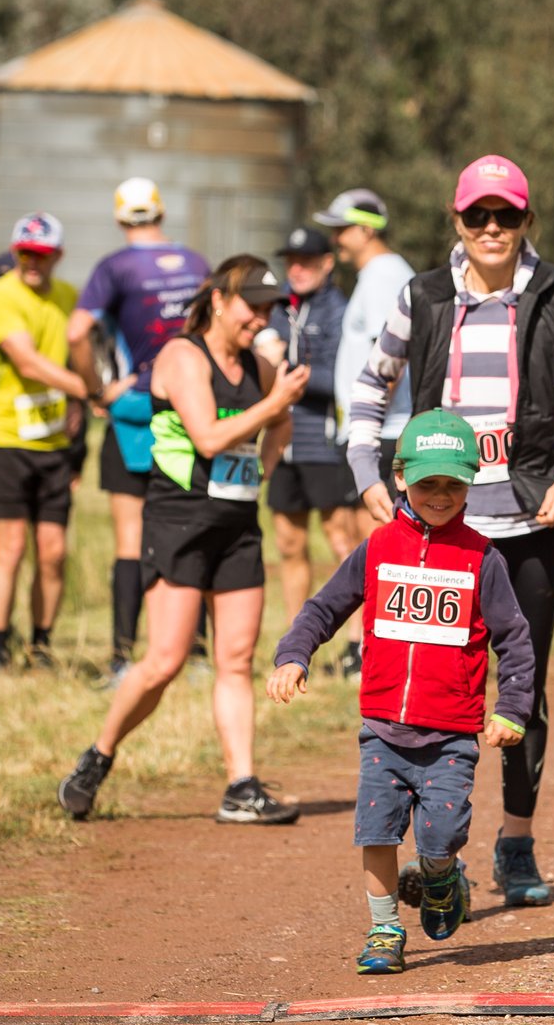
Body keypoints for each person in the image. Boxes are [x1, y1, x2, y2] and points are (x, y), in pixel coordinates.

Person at [341, 156, 554, 908]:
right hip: (438, 525)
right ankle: (439, 853)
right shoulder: (423, 296)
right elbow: (368, 391)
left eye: (505, 216)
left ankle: (516, 842)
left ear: (525, 221)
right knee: (430, 682)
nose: (490, 229)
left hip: (530, 524)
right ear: (456, 220)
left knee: (522, 686)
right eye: (477, 215)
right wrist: (366, 473)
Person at [266, 413, 534, 973]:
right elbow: (323, 609)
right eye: (429, 483)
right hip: (383, 730)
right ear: (400, 477)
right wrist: (294, 655)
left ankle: (440, 876)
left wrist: (511, 709)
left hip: (451, 736)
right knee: (376, 831)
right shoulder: (378, 548)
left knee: (441, 836)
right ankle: (385, 929)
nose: (440, 496)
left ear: (470, 485)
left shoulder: (483, 559)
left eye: (453, 485)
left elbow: (515, 640)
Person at [59, 258, 308, 825]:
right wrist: (272, 406)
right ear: (219, 300)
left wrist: (262, 470)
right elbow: (209, 436)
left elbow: (282, 426)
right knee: (165, 660)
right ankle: (97, 758)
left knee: (237, 659)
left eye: (269, 308)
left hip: (237, 524)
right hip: (180, 522)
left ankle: (240, 786)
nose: (260, 318)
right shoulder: (181, 356)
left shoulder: (257, 366)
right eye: (253, 305)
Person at [69, 178, 211, 678]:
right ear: (160, 214)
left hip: (131, 415)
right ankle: (197, 655)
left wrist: (94, 390)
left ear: (118, 218)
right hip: (189, 412)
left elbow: (76, 332)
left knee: (130, 540)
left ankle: (122, 659)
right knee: (194, 528)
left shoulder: (115, 268)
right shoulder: (196, 264)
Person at [0, 212, 87, 671]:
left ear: (58, 256)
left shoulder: (68, 298)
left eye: (41, 255)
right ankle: (0, 649)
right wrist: (90, 391)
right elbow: (29, 364)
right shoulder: (1, 297)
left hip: (53, 443)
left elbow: (80, 354)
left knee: (53, 551)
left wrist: (81, 405)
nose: (32, 262)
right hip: (5, 437)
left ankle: (40, 646)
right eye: (25, 253)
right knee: (9, 549)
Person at [268, 225, 362, 647]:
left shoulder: (339, 309)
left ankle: (355, 645)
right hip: (280, 445)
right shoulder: (273, 307)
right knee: (289, 542)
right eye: (291, 261)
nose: (297, 269)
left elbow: (340, 378)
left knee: (341, 540)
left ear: (327, 263)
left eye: (306, 261)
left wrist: (285, 370)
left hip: (322, 443)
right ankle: (296, 640)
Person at [316, 187, 415, 491]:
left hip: (381, 432)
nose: (335, 239)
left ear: (367, 230)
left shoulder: (383, 275)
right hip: (377, 430)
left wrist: (368, 425)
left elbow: (391, 358)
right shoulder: (379, 274)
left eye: (341, 230)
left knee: (371, 534)